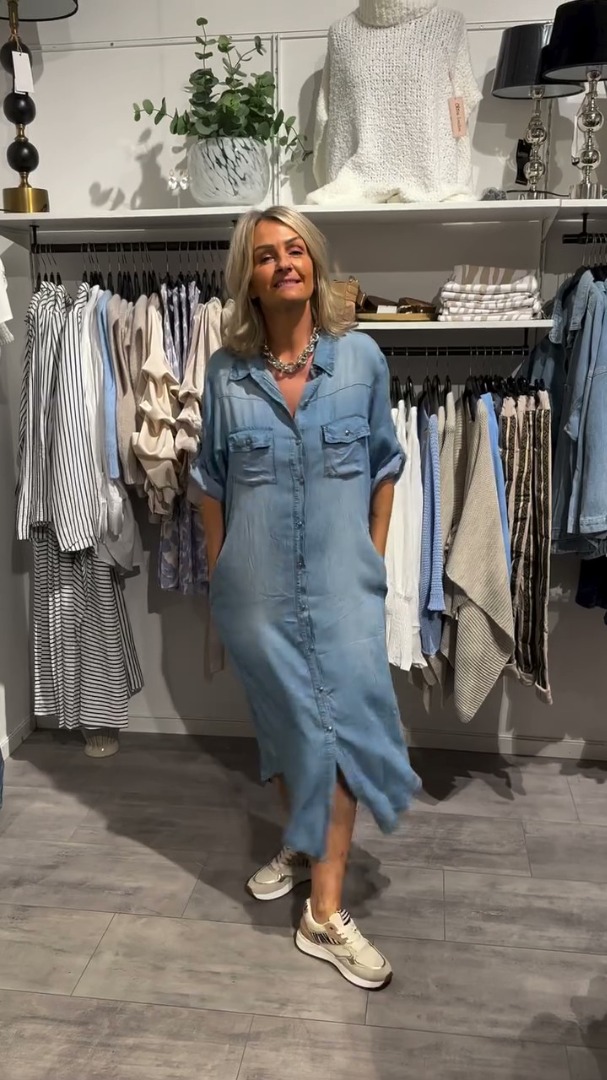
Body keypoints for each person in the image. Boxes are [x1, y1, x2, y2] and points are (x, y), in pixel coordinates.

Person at [192, 206, 421, 991]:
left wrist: (372, 559)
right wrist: (220, 575)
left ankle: (323, 915)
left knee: (341, 739)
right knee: (288, 730)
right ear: (249, 280)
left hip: (340, 594)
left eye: (296, 249)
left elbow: (384, 466)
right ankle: (302, 836)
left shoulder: (360, 360)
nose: (284, 263)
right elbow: (210, 482)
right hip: (255, 597)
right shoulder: (225, 373)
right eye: (266, 255)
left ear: (313, 265)